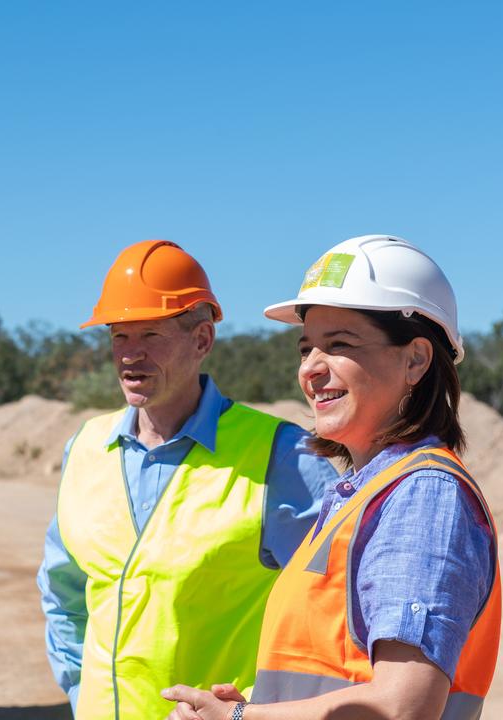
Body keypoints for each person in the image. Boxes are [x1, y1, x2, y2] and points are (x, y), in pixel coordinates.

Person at [162, 235, 501, 720]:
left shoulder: (423, 495)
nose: (312, 369)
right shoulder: (364, 493)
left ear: (416, 359)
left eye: (339, 345)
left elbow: (403, 708)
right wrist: (264, 708)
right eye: (306, 349)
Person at [38, 239, 338, 719]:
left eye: (150, 335)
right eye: (119, 337)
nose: (130, 356)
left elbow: (332, 616)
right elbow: (64, 594)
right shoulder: (86, 447)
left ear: (201, 340)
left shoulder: (281, 456)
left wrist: (262, 712)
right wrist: (82, 694)